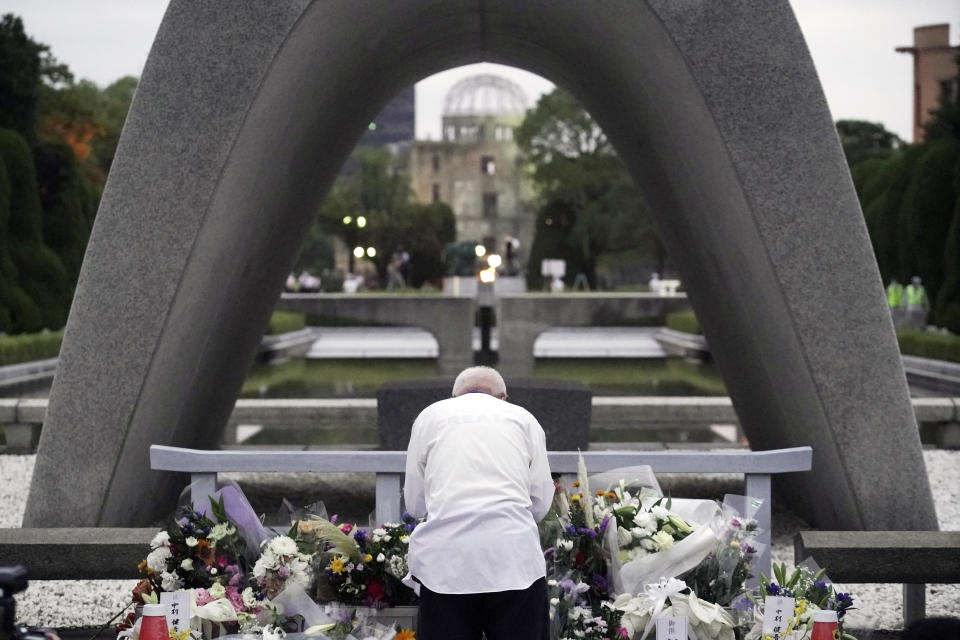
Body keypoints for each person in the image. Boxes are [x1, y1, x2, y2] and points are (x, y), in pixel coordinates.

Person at [403, 366, 555, 640]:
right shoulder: (524, 418)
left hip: (446, 564)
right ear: (504, 398)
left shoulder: (430, 416)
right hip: (514, 559)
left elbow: (415, 504)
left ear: (454, 397)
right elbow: (540, 500)